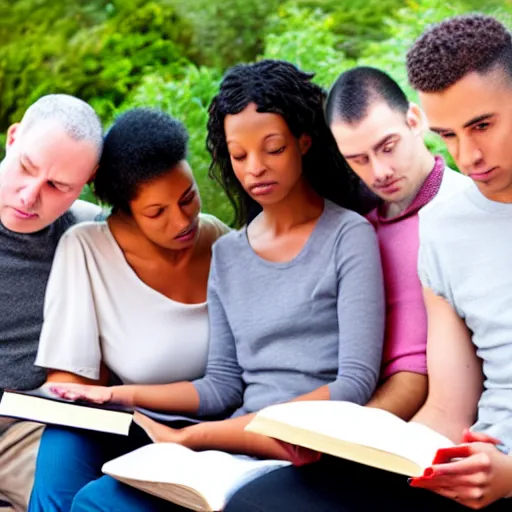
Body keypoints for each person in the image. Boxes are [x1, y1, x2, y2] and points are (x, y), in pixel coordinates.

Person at [49, 59, 386, 511]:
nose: (255, 170)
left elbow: (354, 383)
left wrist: (197, 437)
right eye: (239, 154)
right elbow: (222, 386)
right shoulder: (228, 253)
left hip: (309, 450)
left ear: (303, 142)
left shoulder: (349, 236)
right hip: (235, 449)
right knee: (97, 500)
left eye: (273, 149)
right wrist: (117, 395)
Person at [223, 14, 512, 511]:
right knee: (258, 502)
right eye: (450, 134)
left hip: (500, 475)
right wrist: (359, 450)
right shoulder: (442, 226)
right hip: (466, 462)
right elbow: (446, 407)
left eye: (482, 125)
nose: (470, 155)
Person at [28, 107, 229, 512]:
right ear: (127, 214)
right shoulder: (85, 248)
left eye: (188, 197)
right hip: (125, 419)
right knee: (62, 448)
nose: (182, 219)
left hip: (210, 427)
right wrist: (118, 406)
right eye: (157, 212)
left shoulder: (223, 243)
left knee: (97, 501)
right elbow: (71, 384)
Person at [325, 66, 468, 420]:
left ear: (415, 120)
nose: (379, 172)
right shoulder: (355, 227)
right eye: (358, 160)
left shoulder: (465, 208)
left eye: (387, 147)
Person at [0, 94, 103, 511]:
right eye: (26, 167)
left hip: (32, 426)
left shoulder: (92, 235)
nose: (29, 197)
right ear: (13, 137)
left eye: (58, 186)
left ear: (88, 179)